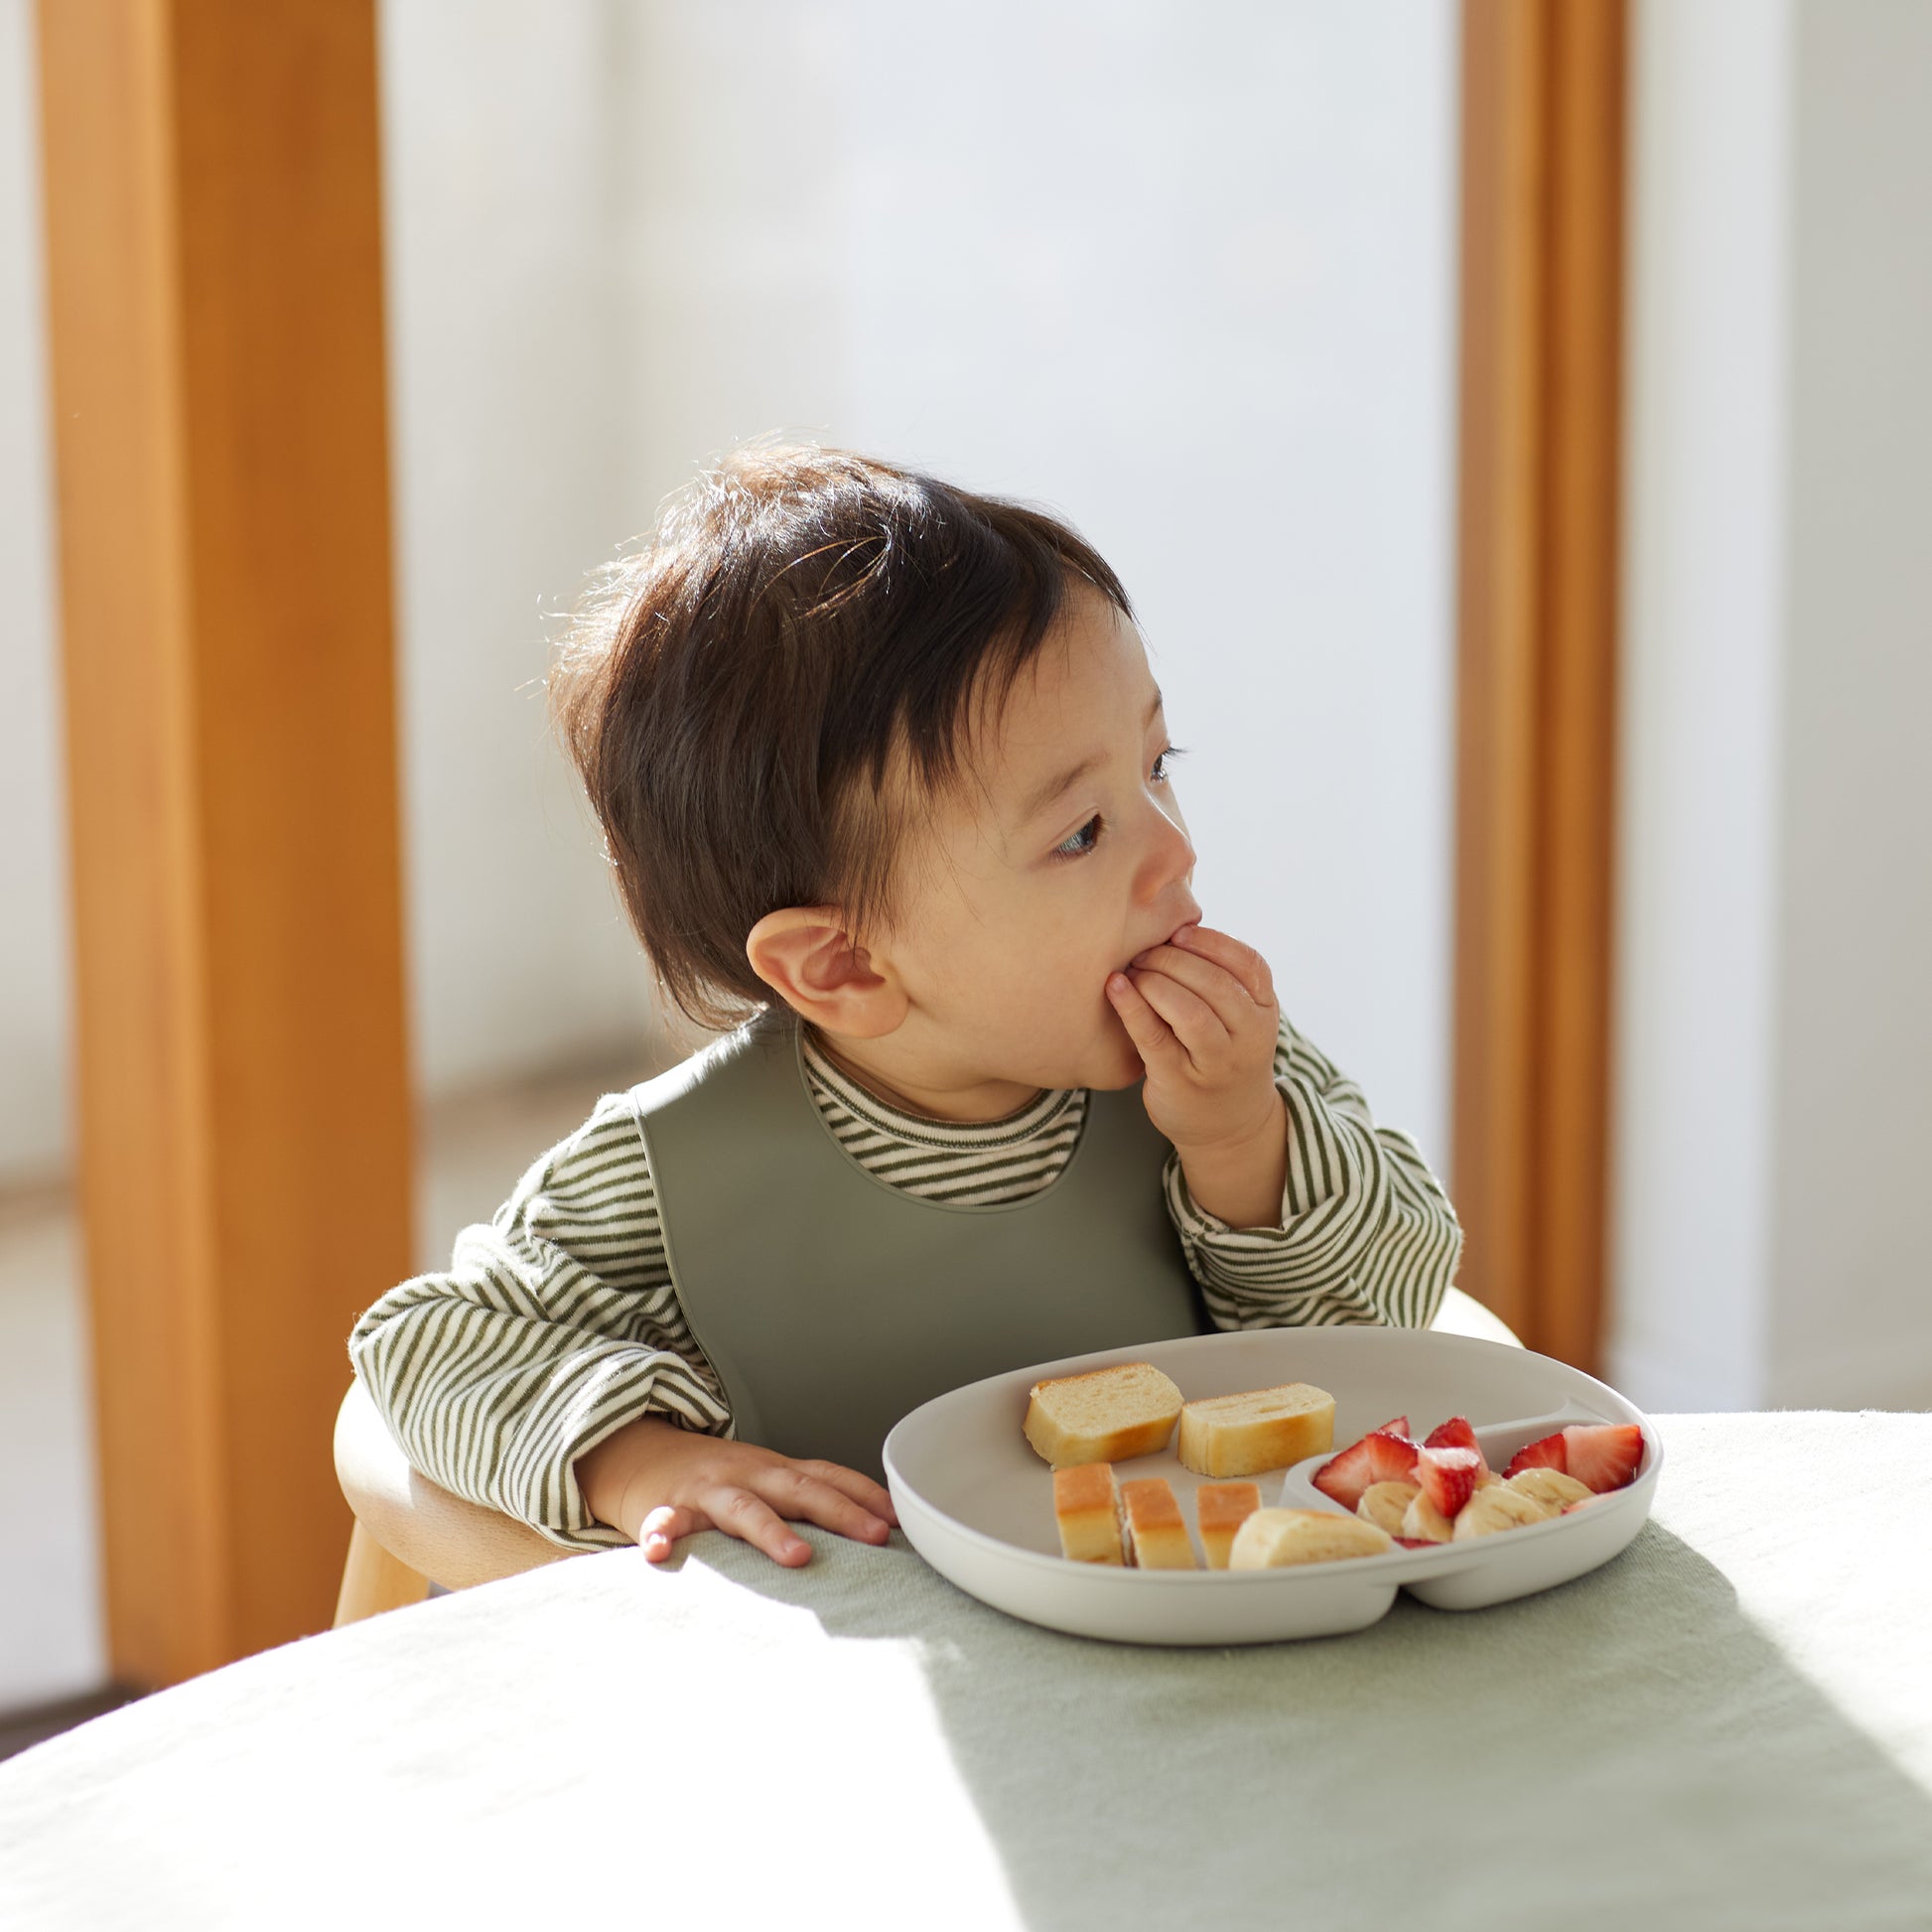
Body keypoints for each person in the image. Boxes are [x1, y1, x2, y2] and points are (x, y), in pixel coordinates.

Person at [347, 445, 1462, 1572]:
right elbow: (425, 1347)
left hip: (1198, 1642)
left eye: (1157, 762)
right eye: (1079, 831)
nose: (1175, 848)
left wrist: (1237, 1142)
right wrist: (638, 1459)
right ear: (843, 967)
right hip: (851, 1710)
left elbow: (1388, 1320)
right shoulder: (669, 1174)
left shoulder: (1220, 1077)